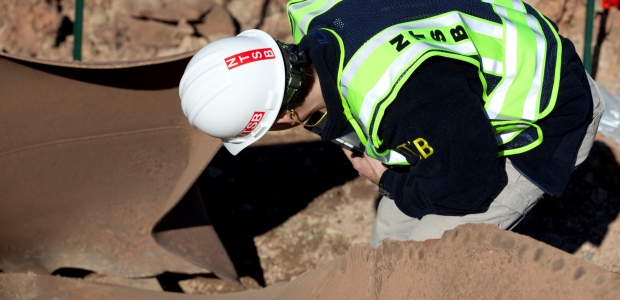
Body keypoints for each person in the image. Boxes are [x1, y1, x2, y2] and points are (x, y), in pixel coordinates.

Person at [179, 0, 604, 248]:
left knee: (431, 254)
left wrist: (386, 179)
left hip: (548, 107)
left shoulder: (400, 96)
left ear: (283, 117)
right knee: (392, 228)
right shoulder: (313, 17)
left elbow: (472, 185)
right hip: (467, 78)